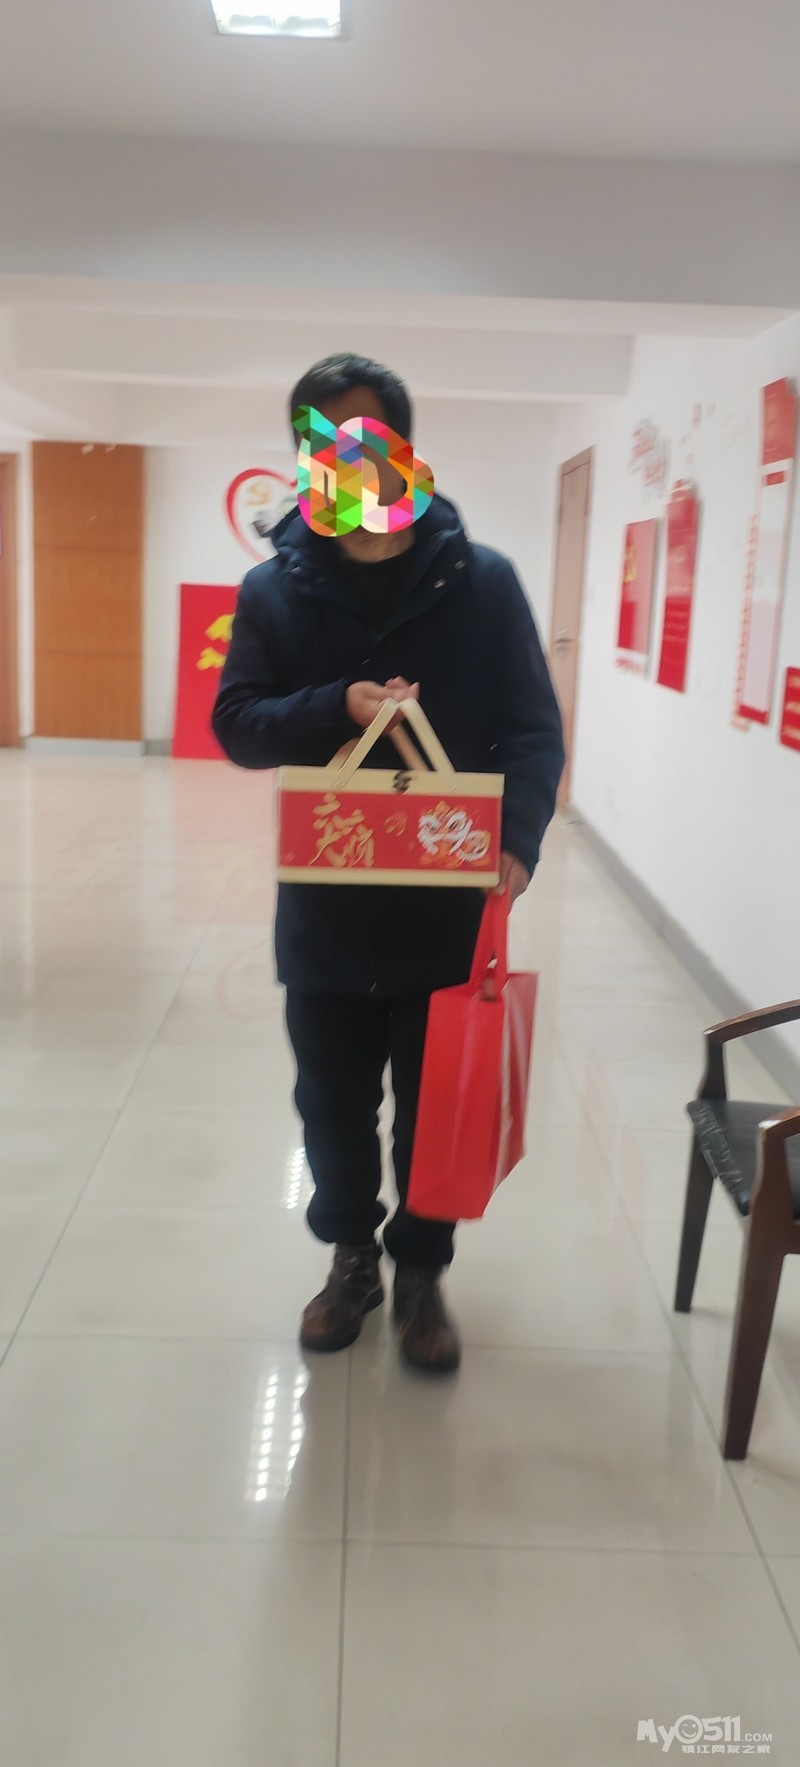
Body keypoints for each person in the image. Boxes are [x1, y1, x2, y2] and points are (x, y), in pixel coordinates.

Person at [212, 354, 565, 1375]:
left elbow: (531, 729)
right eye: (320, 444)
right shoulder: (273, 589)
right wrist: (336, 704)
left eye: (363, 439)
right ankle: (351, 1259)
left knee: (433, 1106)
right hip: (325, 907)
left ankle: (421, 1270)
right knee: (330, 1106)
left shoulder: (482, 583)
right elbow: (237, 724)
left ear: (403, 447)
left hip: (444, 907)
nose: (343, 462)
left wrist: (517, 844)